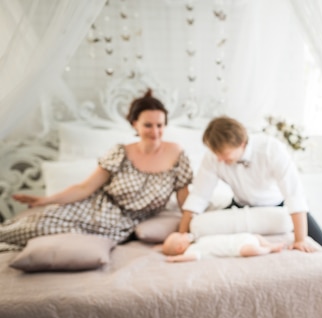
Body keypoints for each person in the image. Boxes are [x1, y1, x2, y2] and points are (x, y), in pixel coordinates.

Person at [0, 89, 193, 247]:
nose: (155, 131)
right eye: (148, 125)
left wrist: (183, 234)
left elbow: (186, 202)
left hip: (120, 224)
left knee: (50, 234)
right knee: (35, 224)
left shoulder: (176, 155)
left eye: (160, 125)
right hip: (91, 207)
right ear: (135, 125)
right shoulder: (120, 153)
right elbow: (85, 188)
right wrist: (46, 200)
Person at [176, 116, 322, 252]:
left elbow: (294, 195)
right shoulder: (214, 157)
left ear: (242, 144)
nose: (219, 160)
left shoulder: (271, 149)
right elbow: (199, 197)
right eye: (217, 154)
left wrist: (300, 240)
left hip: (276, 206)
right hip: (239, 206)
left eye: (225, 155)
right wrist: (181, 235)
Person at [160, 231, 284, 262]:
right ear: (179, 248)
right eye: (181, 235)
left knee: (256, 236)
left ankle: (269, 244)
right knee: (250, 250)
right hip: (238, 248)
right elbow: (193, 257)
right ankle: (268, 249)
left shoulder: (198, 241)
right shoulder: (191, 251)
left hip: (237, 239)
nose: (185, 233)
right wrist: (175, 259)